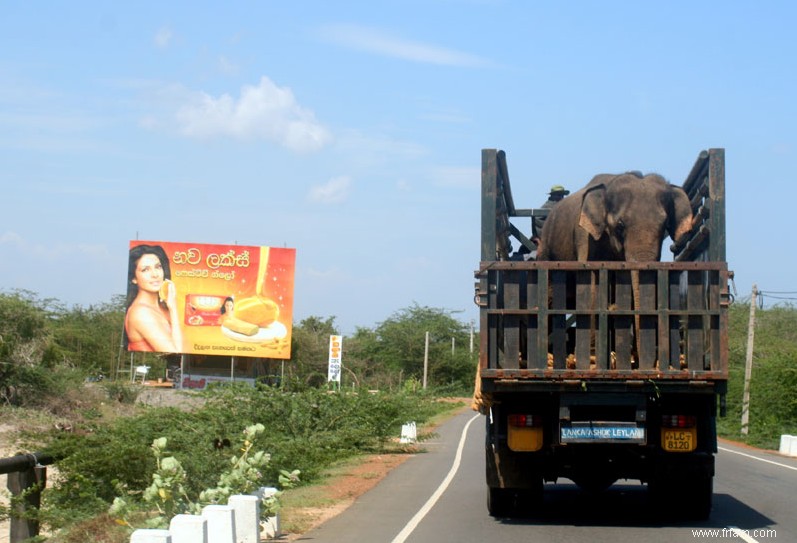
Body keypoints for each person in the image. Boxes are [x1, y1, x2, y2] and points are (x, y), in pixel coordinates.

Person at [124, 244, 183, 352]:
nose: (155, 274)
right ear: (134, 278)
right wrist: (173, 308)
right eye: (145, 270)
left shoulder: (162, 307)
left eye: (158, 267)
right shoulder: (141, 312)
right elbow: (176, 352)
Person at [531, 185, 570, 257]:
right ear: (552, 195)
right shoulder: (549, 206)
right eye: (558, 195)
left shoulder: (561, 206)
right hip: (548, 240)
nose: (561, 197)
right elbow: (537, 219)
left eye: (562, 195)